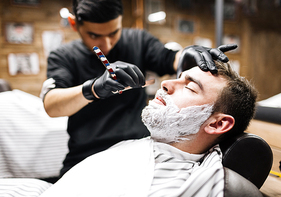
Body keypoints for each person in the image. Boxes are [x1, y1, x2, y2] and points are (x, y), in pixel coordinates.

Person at [40, 0, 237, 177]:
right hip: (84, 158)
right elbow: (51, 105)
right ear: (75, 25)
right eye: (94, 35)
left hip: (136, 154)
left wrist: (187, 54)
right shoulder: (63, 56)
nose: (106, 44)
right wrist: (93, 88)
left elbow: (170, 59)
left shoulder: (138, 40)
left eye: (113, 33)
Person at [40, 60, 257, 197]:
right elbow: (50, 104)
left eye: (190, 87)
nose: (166, 84)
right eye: (178, 77)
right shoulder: (144, 148)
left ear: (217, 124)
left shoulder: (176, 184)